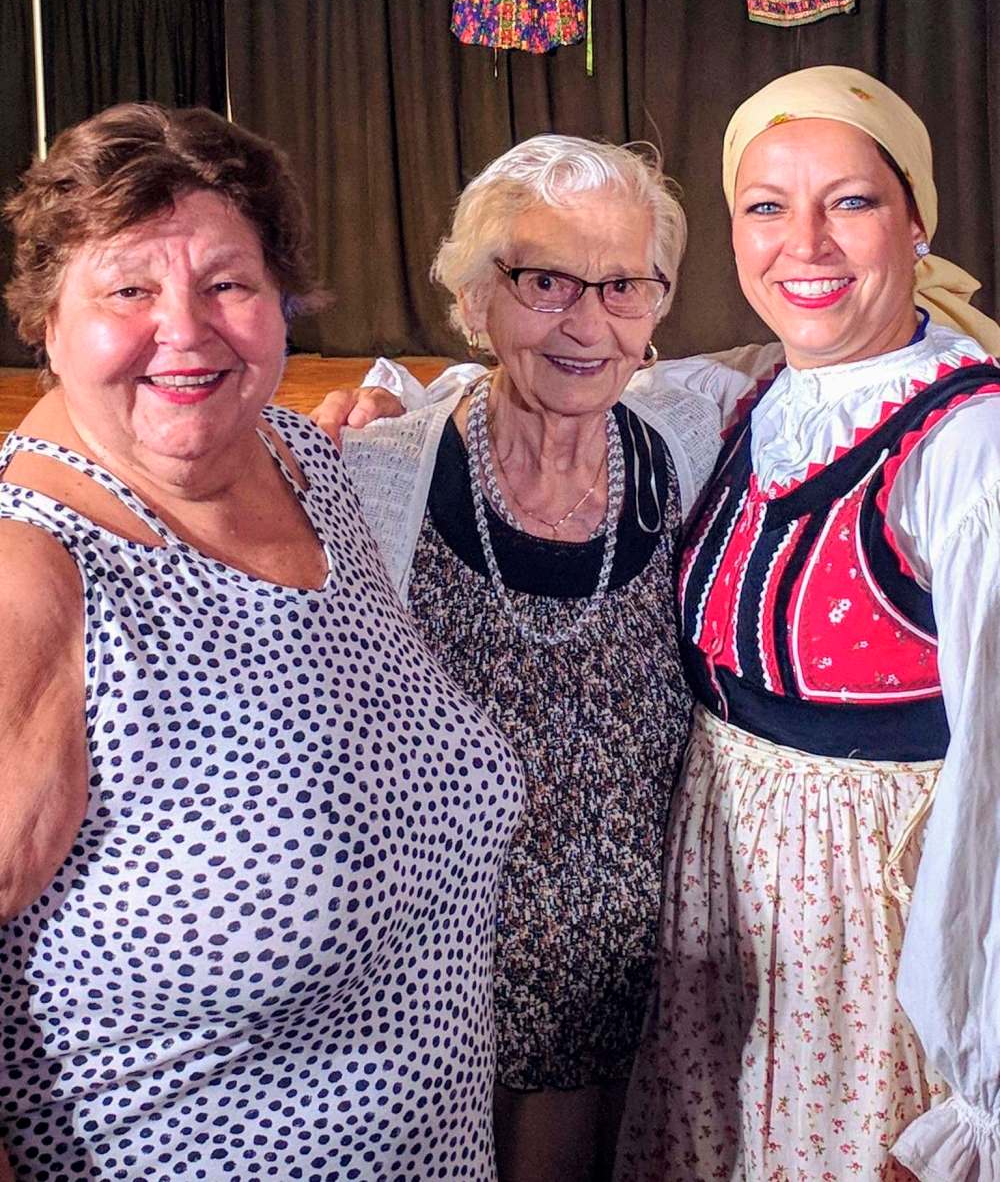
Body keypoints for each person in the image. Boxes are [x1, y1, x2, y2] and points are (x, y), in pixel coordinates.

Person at [317, 69, 1000, 1182]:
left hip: (811, 957)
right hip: (541, 959)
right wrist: (381, 397)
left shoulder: (903, 437)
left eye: (625, 284)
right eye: (768, 205)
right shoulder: (396, 465)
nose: (590, 321)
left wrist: (979, 1085)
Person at [0, 103, 522, 1182]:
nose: (184, 330)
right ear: (47, 319)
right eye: (127, 289)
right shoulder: (30, 573)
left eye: (226, 283)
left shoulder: (300, 457)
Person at [335, 135, 723, 1182]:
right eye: (544, 280)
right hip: (437, 976)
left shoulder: (691, 441)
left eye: (623, 285)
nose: (588, 322)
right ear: (476, 297)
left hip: (645, 975)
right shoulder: (377, 478)